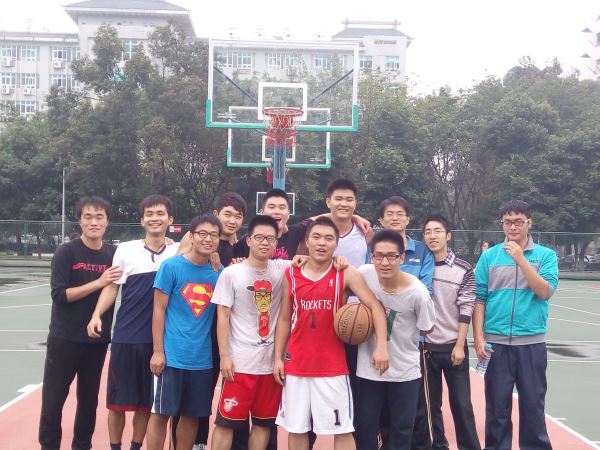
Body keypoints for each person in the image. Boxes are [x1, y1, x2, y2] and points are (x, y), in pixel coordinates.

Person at [274, 217, 390, 450]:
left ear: (336, 245)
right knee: (296, 429)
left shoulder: (345, 273)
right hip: (296, 364)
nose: (322, 243)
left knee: (342, 429)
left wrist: (381, 346)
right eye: (316, 237)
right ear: (306, 241)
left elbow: (375, 307)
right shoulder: (291, 273)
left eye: (328, 239)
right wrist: (278, 357)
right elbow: (285, 318)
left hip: (332, 366)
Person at [86, 195, 177, 450]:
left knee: (145, 404)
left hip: (158, 342)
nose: (155, 218)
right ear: (141, 220)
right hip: (126, 337)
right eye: (149, 214)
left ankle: (136, 446)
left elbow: (204, 239)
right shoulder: (125, 250)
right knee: (117, 403)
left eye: (160, 213)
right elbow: (112, 287)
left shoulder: (178, 250)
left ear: (170, 219)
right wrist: (96, 314)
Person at [473, 200, 558, 450]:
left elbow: (544, 291)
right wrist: (478, 337)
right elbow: (479, 298)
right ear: (502, 224)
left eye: (518, 222)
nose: (513, 227)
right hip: (495, 345)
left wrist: (521, 260)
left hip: (531, 345)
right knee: (497, 409)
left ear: (529, 223)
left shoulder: (546, 256)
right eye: (508, 222)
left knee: (533, 407)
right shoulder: (489, 257)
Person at [39, 197, 123, 450]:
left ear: (107, 222)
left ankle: (82, 445)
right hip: (64, 339)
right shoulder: (66, 252)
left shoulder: (114, 254)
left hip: (96, 341)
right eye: (88, 217)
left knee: (88, 402)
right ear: (80, 221)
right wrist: (99, 282)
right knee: (53, 401)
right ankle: (49, 445)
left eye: (99, 217)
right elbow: (60, 295)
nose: (94, 222)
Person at [171, 192, 248, 450]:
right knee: (190, 402)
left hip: (228, 334)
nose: (233, 220)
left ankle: (213, 443)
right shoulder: (201, 243)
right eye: (227, 214)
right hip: (199, 334)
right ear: (216, 215)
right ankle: (193, 444)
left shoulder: (238, 246)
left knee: (220, 398)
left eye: (238, 216)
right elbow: (180, 260)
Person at [210, 216, 290, 450]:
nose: (265, 242)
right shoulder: (232, 273)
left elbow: (311, 260)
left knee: (263, 425)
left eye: (270, 239)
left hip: (269, 366)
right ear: (249, 240)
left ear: (276, 243)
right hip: (240, 365)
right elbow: (222, 316)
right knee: (226, 423)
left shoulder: (282, 269)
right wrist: (224, 355)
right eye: (259, 237)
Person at [146, 215, 223, 450]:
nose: (208, 239)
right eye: (202, 233)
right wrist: (158, 351)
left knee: (191, 416)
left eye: (213, 235)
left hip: (202, 360)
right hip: (171, 357)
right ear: (191, 236)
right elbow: (158, 310)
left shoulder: (219, 272)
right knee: (161, 414)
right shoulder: (171, 267)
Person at [355, 230, 436, 450]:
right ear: (371, 257)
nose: (384, 262)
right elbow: (337, 271)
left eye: (391, 256)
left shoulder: (417, 293)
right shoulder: (364, 274)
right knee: (364, 430)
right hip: (368, 370)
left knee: (401, 433)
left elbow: (427, 328)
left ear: (402, 257)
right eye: (379, 256)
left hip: (404, 372)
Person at [411, 215, 480, 450]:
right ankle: (438, 446)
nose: (432, 236)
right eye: (428, 232)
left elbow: (467, 307)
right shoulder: (421, 267)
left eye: (437, 231)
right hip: (426, 348)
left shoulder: (463, 269)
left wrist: (460, 345)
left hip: (453, 347)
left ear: (448, 235)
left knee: (462, 405)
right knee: (430, 407)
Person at [376, 196, 434, 293]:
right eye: (389, 214)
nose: (395, 218)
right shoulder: (372, 249)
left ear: (407, 219)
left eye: (400, 214)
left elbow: (425, 288)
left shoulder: (423, 251)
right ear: (381, 220)